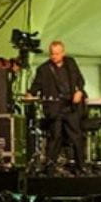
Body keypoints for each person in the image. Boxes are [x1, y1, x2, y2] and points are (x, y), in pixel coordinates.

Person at [29, 40, 86, 173]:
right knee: (55, 137)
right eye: (52, 54)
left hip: (70, 106)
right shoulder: (43, 69)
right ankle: (49, 167)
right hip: (54, 107)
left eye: (57, 53)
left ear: (63, 53)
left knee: (76, 137)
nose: (54, 56)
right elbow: (35, 87)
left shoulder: (70, 63)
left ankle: (81, 167)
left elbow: (80, 80)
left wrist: (79, 91)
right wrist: (29, 94)